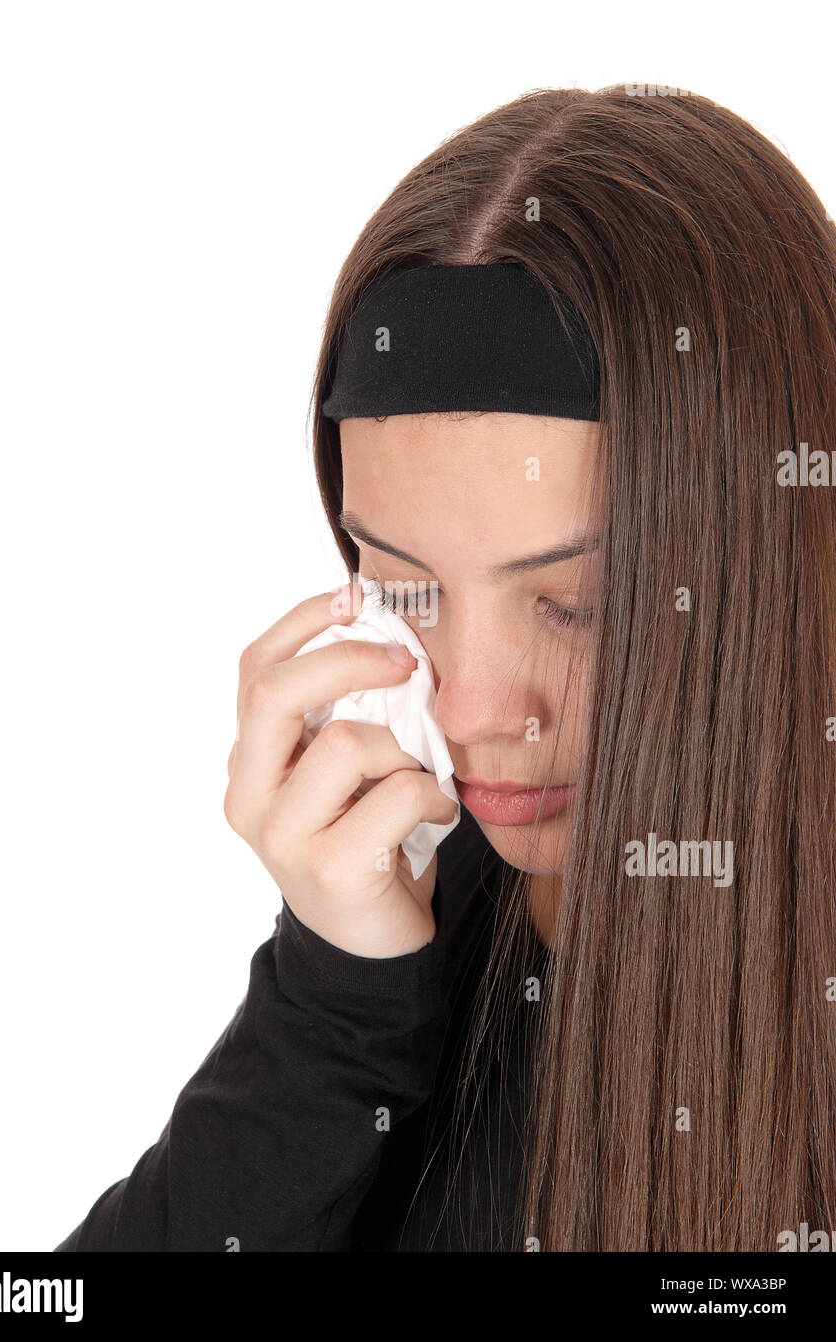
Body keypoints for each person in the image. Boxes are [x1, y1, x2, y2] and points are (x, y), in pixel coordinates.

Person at [55, 83, 836, 1252]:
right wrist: (332, 1005)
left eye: (578, 605)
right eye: (408, 588)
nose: (468, 710)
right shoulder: (414, 918)